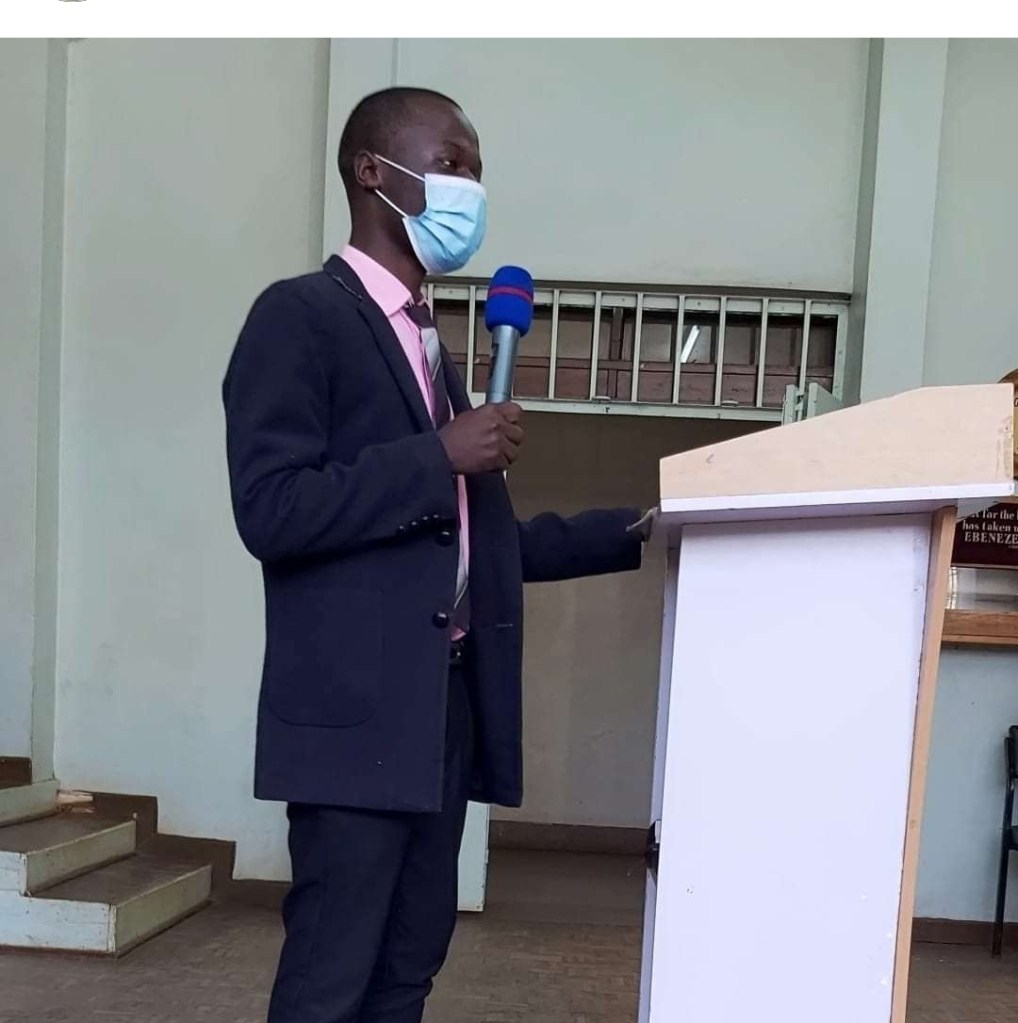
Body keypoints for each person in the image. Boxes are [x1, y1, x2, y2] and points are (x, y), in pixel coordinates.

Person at [222, 86, 647, 1023]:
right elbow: (272, 509)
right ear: (372, 171)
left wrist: (642, 526)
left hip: (442, 715)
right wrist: (439, 454)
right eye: (451, 163)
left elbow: (476, 547)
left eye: (477, 170)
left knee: (409, 965)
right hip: (353, 722)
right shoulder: (299, 316)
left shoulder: (428, 346)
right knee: (331, 977)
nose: (471, 188)